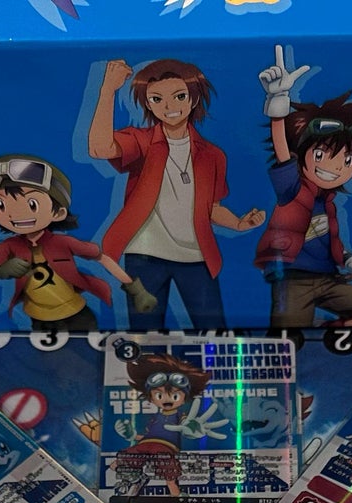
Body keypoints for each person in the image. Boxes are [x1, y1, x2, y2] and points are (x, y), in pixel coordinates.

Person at [86, 58, 264, 329]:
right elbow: (99, 148)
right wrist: (108, 89)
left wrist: (239, 223)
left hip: (196, 256)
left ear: (194, 99)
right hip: (145, 255)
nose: (169, 107)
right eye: (157, 99)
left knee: (213, 334)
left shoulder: (213, 155)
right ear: (148, 104)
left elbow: (211, 208)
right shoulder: (142, 141)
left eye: (179, 96)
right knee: (146, 336)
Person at [254, 46, 352, 328]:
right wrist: (278, 104)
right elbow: (282, 153)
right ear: (303, 153)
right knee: (288, 336)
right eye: (320, 154)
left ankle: (328, 331)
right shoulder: (293, 188)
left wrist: (351, 261)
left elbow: (330, 242)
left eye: (348, 160)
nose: (334, 167)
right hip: (292, 279)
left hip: (328, 279)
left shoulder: (327, 202)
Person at [0, 155, 156, 331]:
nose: (15, 213)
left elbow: (101, 258)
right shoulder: (11, 246)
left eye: (32, 204)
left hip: (77, 314)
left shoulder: (63, 243)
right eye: (1, 205)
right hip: (39, 319)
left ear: (58, 212)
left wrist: (137, 290)